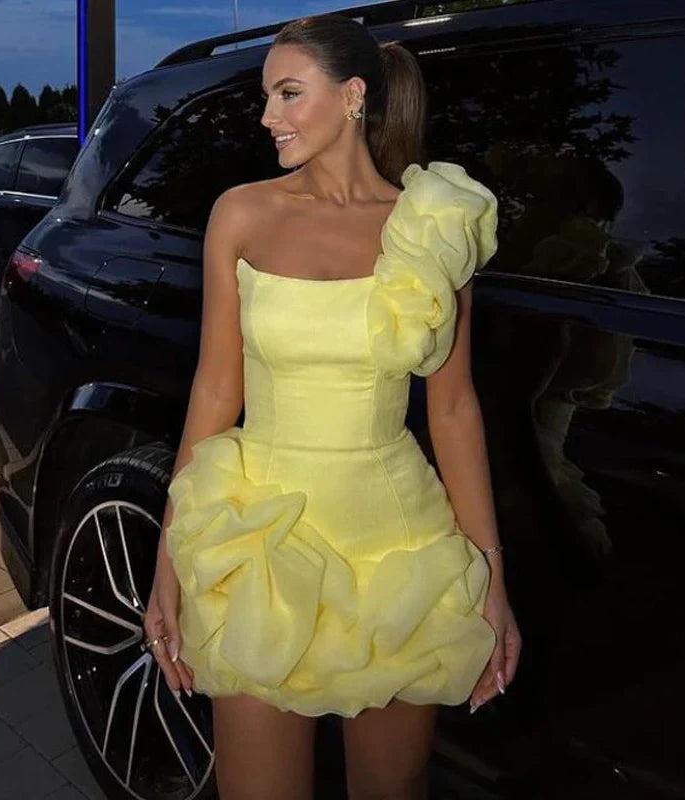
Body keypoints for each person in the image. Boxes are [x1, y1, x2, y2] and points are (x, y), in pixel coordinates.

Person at [142, 12, 521, 800]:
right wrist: (168, 559)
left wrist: (490, 573)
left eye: (287, 93)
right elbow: (215, 390)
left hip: (396, 551)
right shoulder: (241, 214)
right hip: (261, 544)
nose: (267, 116)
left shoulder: (430, 229)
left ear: (352, 96)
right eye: (265, 96)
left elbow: (453, 408)